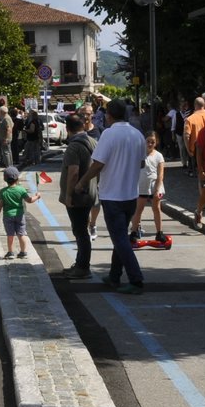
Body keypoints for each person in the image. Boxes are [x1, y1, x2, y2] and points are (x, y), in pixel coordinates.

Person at [75, 98, 147, 295]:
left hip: (113, 194)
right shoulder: (137, 134)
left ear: (109, 115)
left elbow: (98, 164)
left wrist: (82, 182)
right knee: (120, 236)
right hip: (131, 194)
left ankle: (136, 279)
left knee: (120, 239)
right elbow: (141, 164)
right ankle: (115, 275)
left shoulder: (108, 134)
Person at [57, 112, 98, 279]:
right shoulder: (93, 142)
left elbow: (73, 173)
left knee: (80, 232)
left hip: (78, 195)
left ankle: (82, 267)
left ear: (67, 129)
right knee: (82, 230)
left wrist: (68, 195)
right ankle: (80, 263)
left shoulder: (74, 146)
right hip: (91, 193)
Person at [130, 131, 167, 241]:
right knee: (138, 210)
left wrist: (157, 189)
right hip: (141, 186)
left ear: (156, 143)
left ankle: (159, 232)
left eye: (153, 142)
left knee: (156, 209)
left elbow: (160, 174)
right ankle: (134, 231)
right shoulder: (138, 154)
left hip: (154, 186)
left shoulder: (158, 156)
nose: (150, 144)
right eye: (148, 141)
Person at [0, 166, 40, 259]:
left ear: (4, 178)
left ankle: (10, 252)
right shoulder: (21, 189)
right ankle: (23, 252)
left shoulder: (3, 191)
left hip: (7, 216)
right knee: (22, 234)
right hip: (20, 215)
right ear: (17, 178)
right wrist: (37, 196)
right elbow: (29, 200)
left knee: (10, 235)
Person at [182, 96, 205, 176]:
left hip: (196, 148)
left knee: (199, 171)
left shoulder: (190, 119)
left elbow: (186, 136)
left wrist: (188, 149)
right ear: (204, 105)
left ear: (195, 105)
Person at [19, 104, 44, 169]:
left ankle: (32, 162)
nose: (28, 114)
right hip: (36, 137)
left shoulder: (33, 121)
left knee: (31, 150)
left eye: (29, 113)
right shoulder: (37, 121)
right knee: (36, 150)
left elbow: (32, 130)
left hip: (32, 138)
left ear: (32, 115)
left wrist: (25, 130)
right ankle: (36, 162)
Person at [0, 103, 14, 168]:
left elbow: (9, 129)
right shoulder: (2, 118)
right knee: (7, 151)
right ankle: (9, 165)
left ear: (2, 112)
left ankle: (9, 166)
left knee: (6, 152)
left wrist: (6, 138)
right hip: (3, 138)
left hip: (6, 138)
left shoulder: (6, 118)